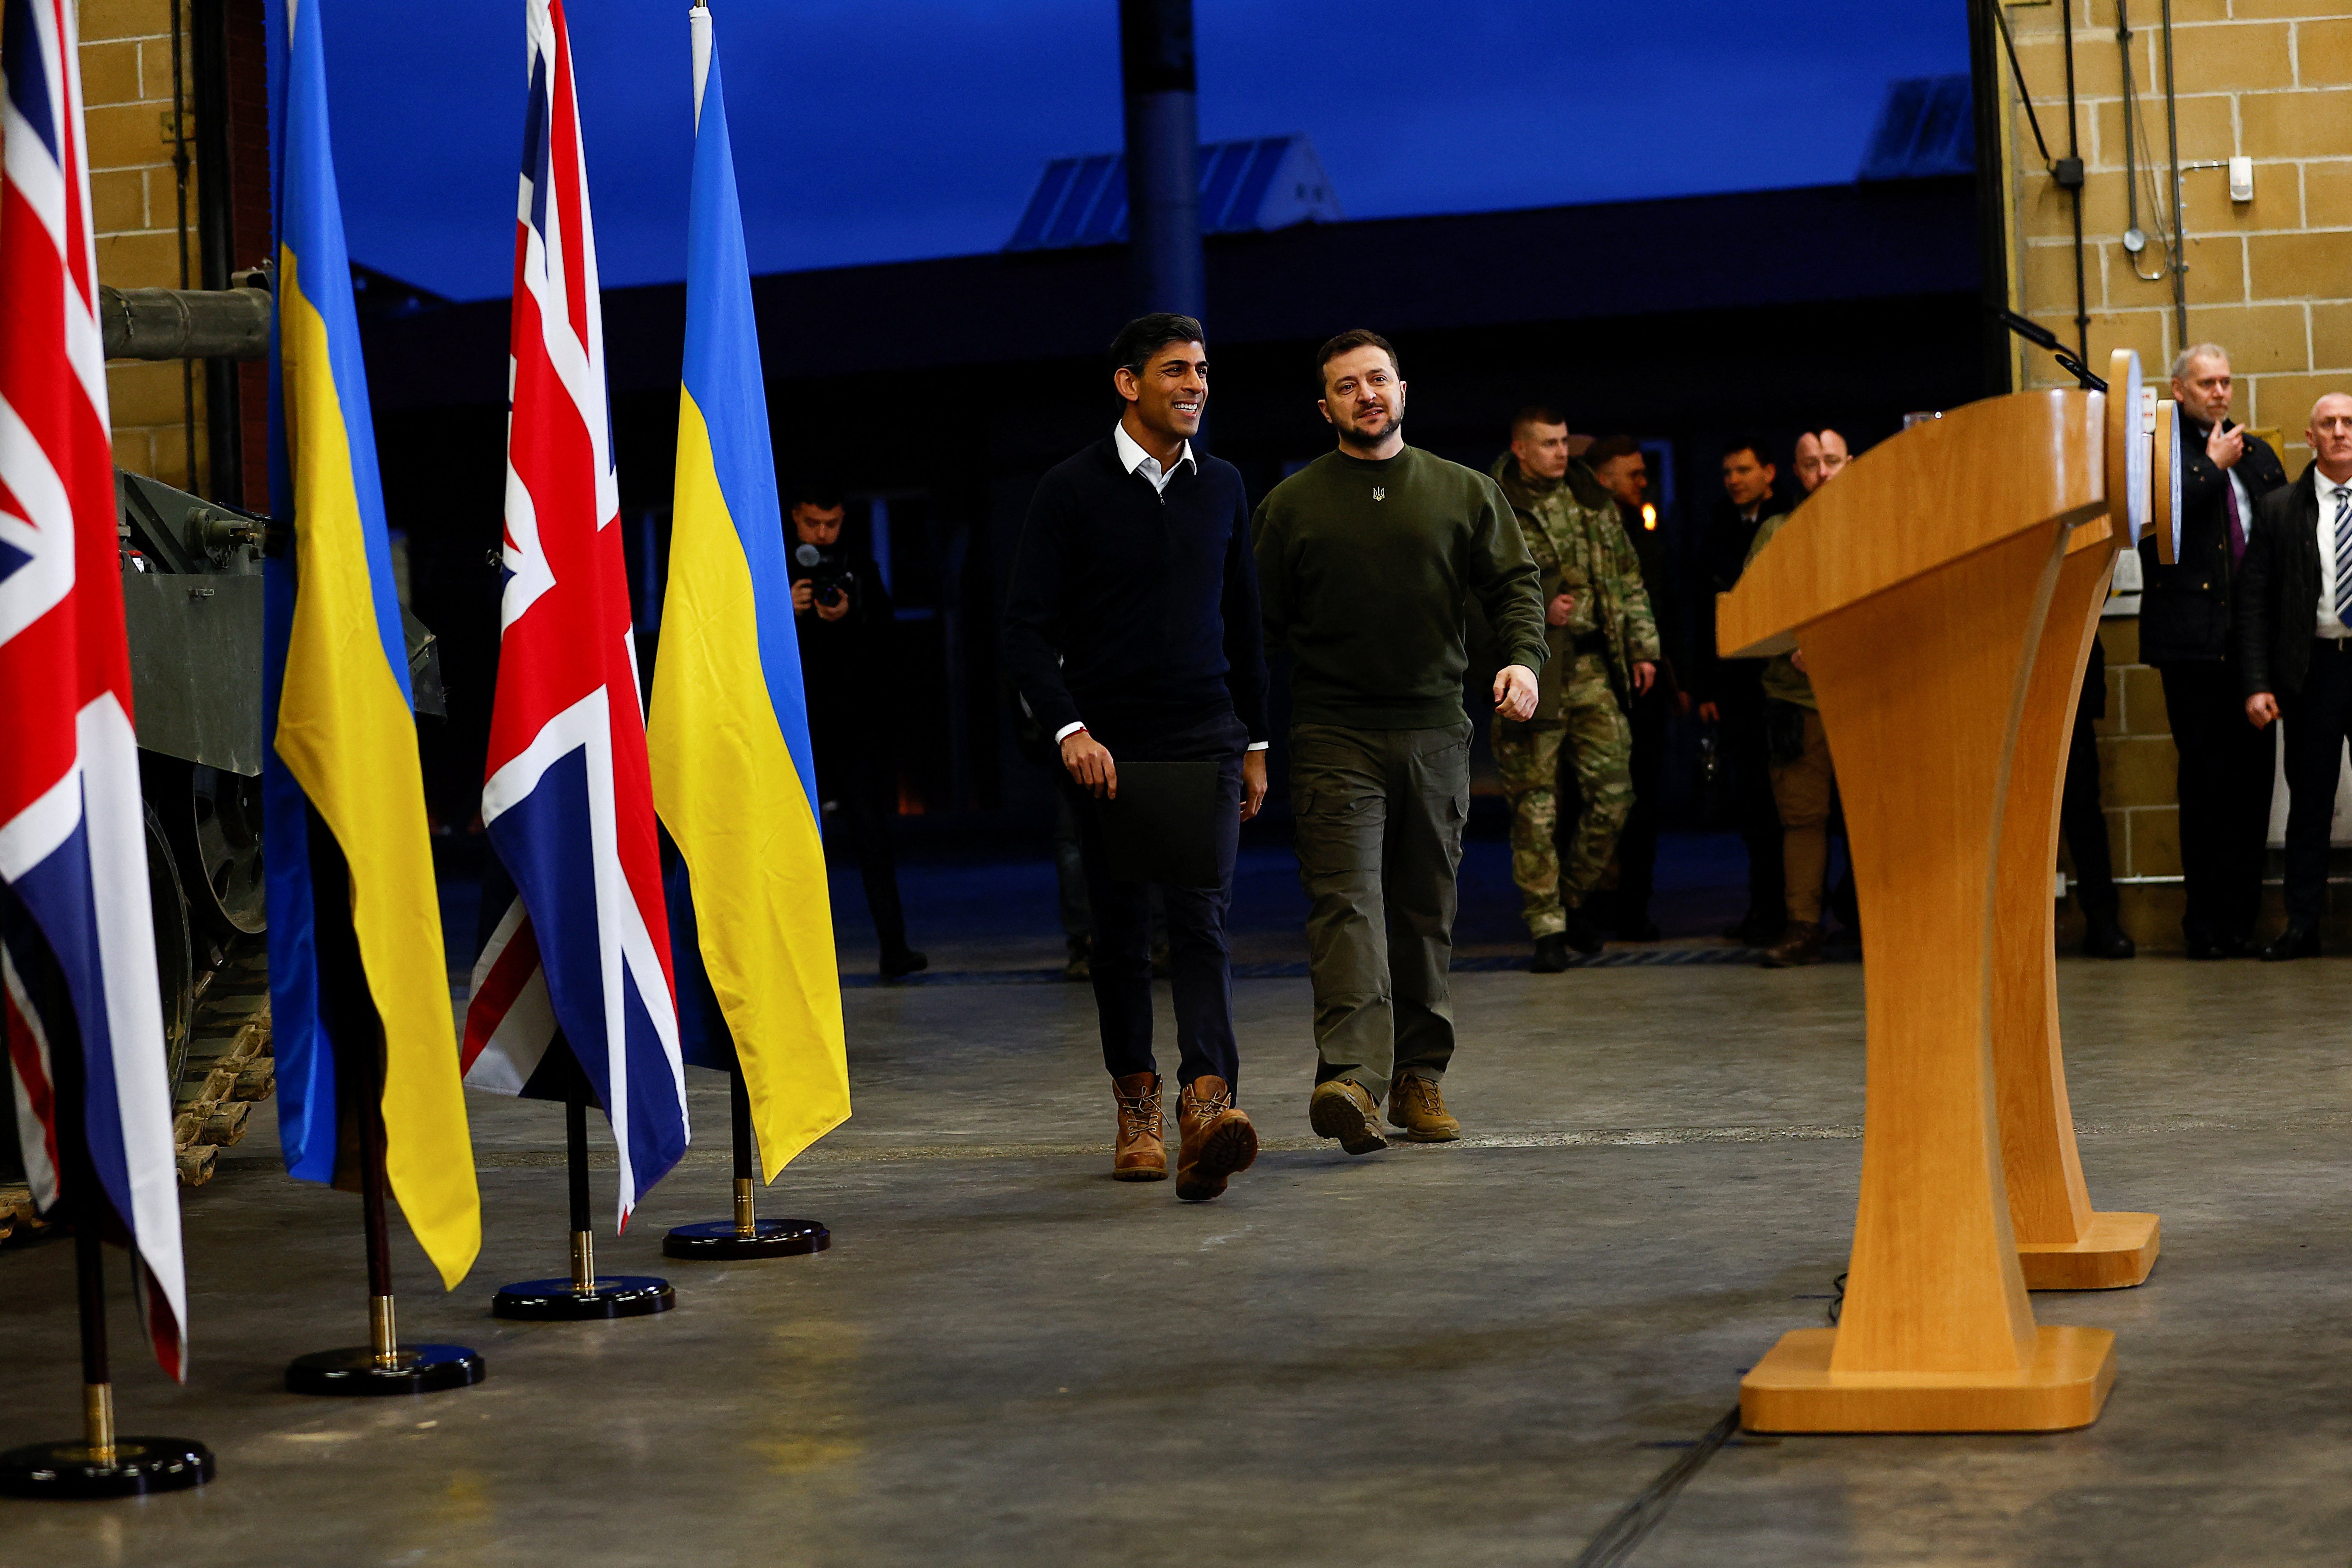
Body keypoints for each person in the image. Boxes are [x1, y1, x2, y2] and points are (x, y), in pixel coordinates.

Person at [1255, 330, 1545, 1155]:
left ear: (1404, 390)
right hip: (1331, 734)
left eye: (1377, 379)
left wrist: (1523, 660)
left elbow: (1514, 586)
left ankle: (1421, 1076)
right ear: (1326, 407)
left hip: (1434, 732)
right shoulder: (1292, 506)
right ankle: (1351, 1079)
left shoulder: (1462, 492)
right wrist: (1244, 735)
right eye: (1347, 387)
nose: (1366, 395)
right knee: (1348, 905)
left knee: (1424, 910)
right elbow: (1253, 633)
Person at [1002, 313, 1270, 1200]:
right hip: (1106, 745)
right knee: (1119, 937)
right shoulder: (1069, 490)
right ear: (1128, 384)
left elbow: (1246, 627)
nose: (1194, 384)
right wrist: (1070, 730)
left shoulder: (1224, 484)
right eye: (1174, 371)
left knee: (1200, 922)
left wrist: (1258, 741)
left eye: (1202, 370)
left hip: (1205, 737)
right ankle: (1138, 1107)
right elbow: (1026, 633)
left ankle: (1208, 1106)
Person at [1488, 411, 1661, 967]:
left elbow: (1626, 574)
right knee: (1534, 805)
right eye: (1548, 444)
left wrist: (1643, 647)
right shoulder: (1496, 506)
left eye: (1565, 442)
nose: (1561, 453)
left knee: (1615, 793)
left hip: (1591, 665)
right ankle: (1547, 928)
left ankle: (1570, 898)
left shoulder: (1590, 497)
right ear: (1520, 448)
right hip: (1532, 668)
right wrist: (1542, 607)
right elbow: (1474, 591)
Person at [2139, 345, 2289, 958]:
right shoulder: (2158, 452)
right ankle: (2202, 925)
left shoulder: (2255, 454)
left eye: (2227, 381)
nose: (2220, 392)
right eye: (2207, 383)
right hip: (2191, 646)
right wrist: (2208, 468)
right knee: (2205, 785)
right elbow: (2151, 521)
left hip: (2252, 647)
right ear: (2179, 390)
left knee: (2253, 787)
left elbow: (2281, 536)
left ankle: (2240, 921)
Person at [790, 481, 927, 981]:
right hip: (797, 729)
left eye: (831, 524)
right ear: (795, 517)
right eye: (812, 524)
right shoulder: (771, 565)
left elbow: (890, 641)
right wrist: (783, 610)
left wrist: (852, 615)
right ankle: (796, 960)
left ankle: (895, 948)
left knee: (873, 838)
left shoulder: (859, 566)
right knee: (794, 847)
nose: (822, 534)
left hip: (853, 727)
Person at [2235, 392, 2352, 959]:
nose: (2339, 431)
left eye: (2348, 422)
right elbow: (2254, 603)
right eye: (2327, 424)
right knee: (2309, 801)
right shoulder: (2280, 508)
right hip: (2313, 669)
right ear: (2310, 437)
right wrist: (2257, 683)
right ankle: (2302, 924)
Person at [1747, 430, 1849, 968]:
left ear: (1850, 462)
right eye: (1811, 464)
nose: (1822, 472)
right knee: (1802, 818)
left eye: (1832, 460)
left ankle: (1882, 921)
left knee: (1879, 818)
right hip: (1796, 696)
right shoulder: (1777, 531)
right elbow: (1754, 607)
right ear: (1795, 470)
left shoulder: (1875, 523)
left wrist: (1837, 645)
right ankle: (1803, 925)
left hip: (1866, 696)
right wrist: (1799, 644)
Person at [1580, 435, 1682, 942]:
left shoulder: (1646, 532)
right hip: (1596, 683)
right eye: (1633, 474)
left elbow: (1662, 607)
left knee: (1642, 799)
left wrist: (1676, 678)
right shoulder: (1585, 530)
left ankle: (1633, 905)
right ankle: (1591, 902)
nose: (1644, 483)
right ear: (1604, 479)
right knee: (1594, 798)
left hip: (1644, 687)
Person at [1692, 438, 1790, 947]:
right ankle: (1764, 908)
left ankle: (1798, 912)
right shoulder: (1717, 530)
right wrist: (1704, 686)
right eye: (1728, 471)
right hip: (1737, 688)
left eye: (1744, 469)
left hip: (1786, 682)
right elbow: (1703, 613)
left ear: (1769, 472)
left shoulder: (1790, 519)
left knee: (1792, 805)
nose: (1734, 479)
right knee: (1752, 806)